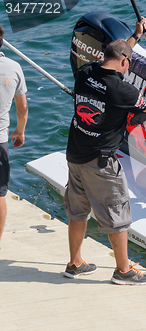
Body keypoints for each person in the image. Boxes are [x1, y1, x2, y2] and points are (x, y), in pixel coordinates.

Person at [63, 17, 146, 284]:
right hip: (99, 163)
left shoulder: (86, 72)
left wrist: (135, 36)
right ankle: (123, 271)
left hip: (75, 154)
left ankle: (75, 263)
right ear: (125, 62)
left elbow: (120, 52)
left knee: (77, 212)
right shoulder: (121, 90)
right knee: (118, 216)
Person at [0, 24, 29, 242]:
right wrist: (20, 131)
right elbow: (22, 107)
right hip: (0, 140)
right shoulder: (13, 67)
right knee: (0, 194)